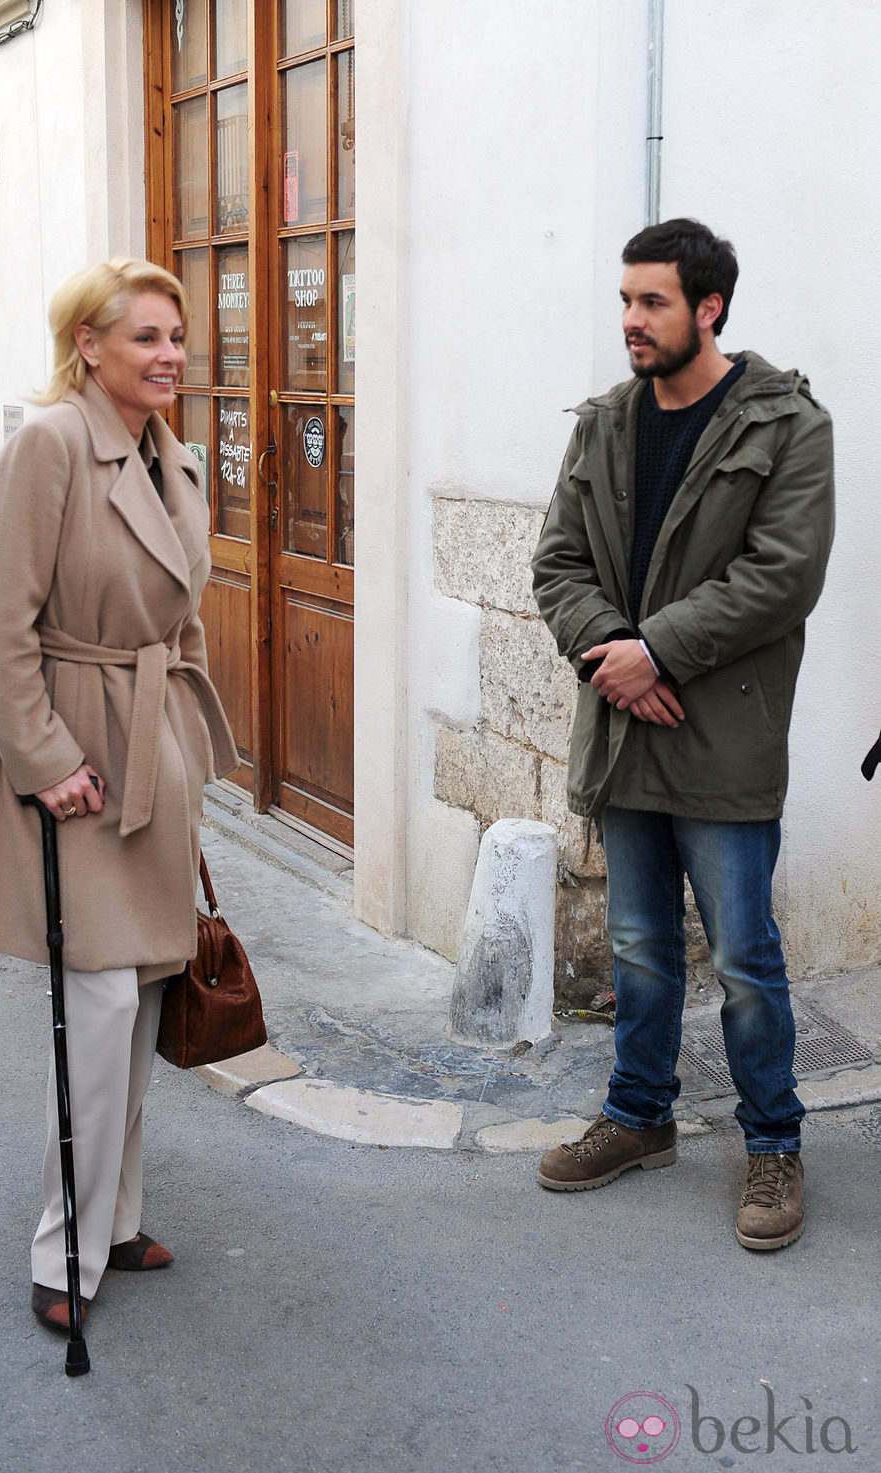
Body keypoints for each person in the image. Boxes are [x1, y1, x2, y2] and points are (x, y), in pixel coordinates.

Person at [0, 259, 238, 1328]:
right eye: (147, 337)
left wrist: (189, 746)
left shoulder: (173, 456)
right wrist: (45, 757)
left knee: (148, 989)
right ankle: (64, 1251)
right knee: (102, 998)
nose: (170, 355)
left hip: (149, 749)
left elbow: (181, 617)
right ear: (90, 347)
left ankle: (115, 1219)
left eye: (175, 336)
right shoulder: (50, 445)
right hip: (80, 753)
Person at [531, 219, 834, 1250]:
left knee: (744, 957)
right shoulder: (604, 423)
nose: (629, 320)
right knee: (638, 947)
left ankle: (771, 1142)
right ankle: (636, 1116)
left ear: (707, 308)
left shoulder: (784, 423)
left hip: (723, 737)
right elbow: (556, 565)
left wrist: (653, 652)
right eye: (623, 300)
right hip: (622, 731)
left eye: (650, 302)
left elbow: (781, 574)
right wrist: (614, 653)